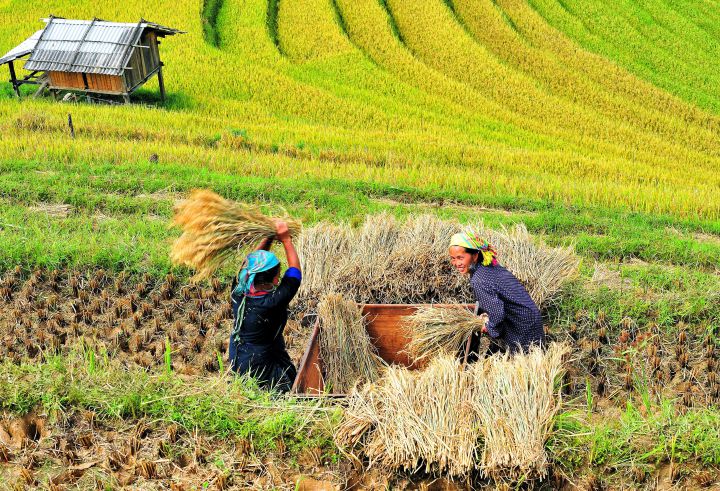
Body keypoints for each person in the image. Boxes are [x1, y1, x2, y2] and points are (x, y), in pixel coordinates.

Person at [228, 221, 301, 392]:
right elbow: (295, 273)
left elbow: (250, 264)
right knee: (278, 390)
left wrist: (269, 236)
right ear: (276, 280)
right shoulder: (271, 302)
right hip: (259, 359)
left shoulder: (239, 289)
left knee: (246, 387)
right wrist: (286, 240)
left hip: (238, 352)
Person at [448, 231, 544, 356]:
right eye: (453, 258)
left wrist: (489, 327)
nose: (456, 263)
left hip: (522, 325)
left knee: (526, 363)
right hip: (529, 315)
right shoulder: (487, 266)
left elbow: (497, 314)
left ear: (475, 255)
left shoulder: (479, 280)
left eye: (460, 258)